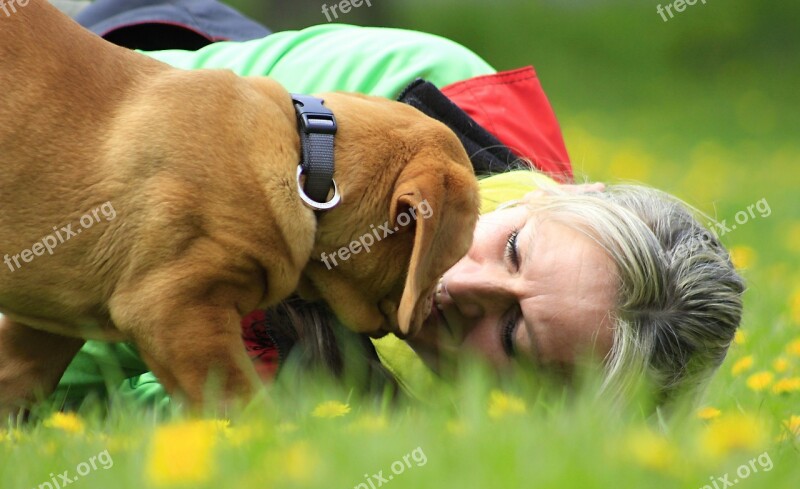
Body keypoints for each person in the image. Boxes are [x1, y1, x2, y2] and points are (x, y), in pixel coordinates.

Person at [49, 0, 744, 410]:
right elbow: (113, 200)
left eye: (510, 335)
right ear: (572, 193)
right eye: (513, 250)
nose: (461, 287)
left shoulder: (375, 422)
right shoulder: (429, 91)